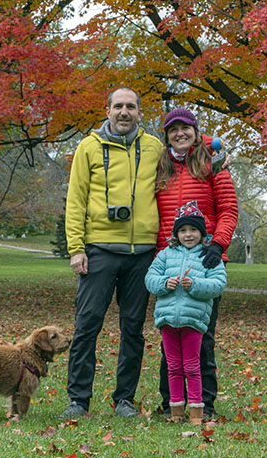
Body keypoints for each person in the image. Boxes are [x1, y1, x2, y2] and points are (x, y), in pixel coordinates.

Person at [59, 87, 162, 421]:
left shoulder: (154, 147)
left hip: (142, 253)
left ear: (139, 112)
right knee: (87, 325)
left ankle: (125, 400)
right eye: (118, 106)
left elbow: (184, 164)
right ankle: (79, 400)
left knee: (133, 329)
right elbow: (75, 202)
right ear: (107, 111)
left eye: (131, 106)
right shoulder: (88, 147)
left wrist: (218, 159)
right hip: (99, 250)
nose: (124, 112)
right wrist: (76, 248)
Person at [155, 107, 238, 420]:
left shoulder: (211, 161)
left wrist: (217, 245)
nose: (180, 134)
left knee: (200, 335)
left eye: (185, 128)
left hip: (205, 260)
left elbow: (229, 209)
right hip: (168, 261)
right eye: (173, 129)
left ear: (195, 130)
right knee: (170, 333)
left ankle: (205, 405)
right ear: (166, 135)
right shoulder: (160, 165)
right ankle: (171, 404)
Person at [144, 201, 227, 425]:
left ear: (202, 233)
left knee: (192, 366)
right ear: (176, 233)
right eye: (182, 230)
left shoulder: (209, 257)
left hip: (194, 320)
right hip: (168, 320)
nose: (188, 235)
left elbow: (218, 284)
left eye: (193, 230)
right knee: (173, 366)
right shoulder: (165, 255)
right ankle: (176, 411)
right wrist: (164, 282)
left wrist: (196, 285)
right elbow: (150, 279)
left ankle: (197, 412)